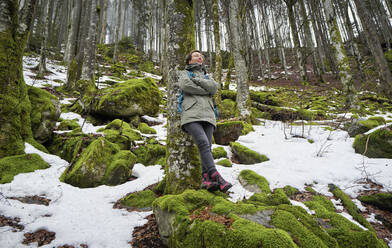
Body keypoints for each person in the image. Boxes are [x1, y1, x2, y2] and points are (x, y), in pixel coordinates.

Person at [178, 50, 232, 193]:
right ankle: (217, 176)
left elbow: (214, 88)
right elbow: (185, 86)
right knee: (202, 142)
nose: (199, 57)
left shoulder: (207, 76)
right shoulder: (184, 73)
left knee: (206, 147)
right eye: (196, 55)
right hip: (191, 115)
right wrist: (205, 89)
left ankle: (206, 180)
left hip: (208, 115)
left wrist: (199, 81)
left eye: (201, 56)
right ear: (189, 60)